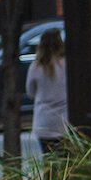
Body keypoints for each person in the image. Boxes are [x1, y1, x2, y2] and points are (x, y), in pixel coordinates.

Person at [26, 28, 68, 156]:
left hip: (43, 122)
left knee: (48, 161)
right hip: (64, 121)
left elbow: (30, 92)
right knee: (66, 163)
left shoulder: (36, 66)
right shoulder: (66, 64)